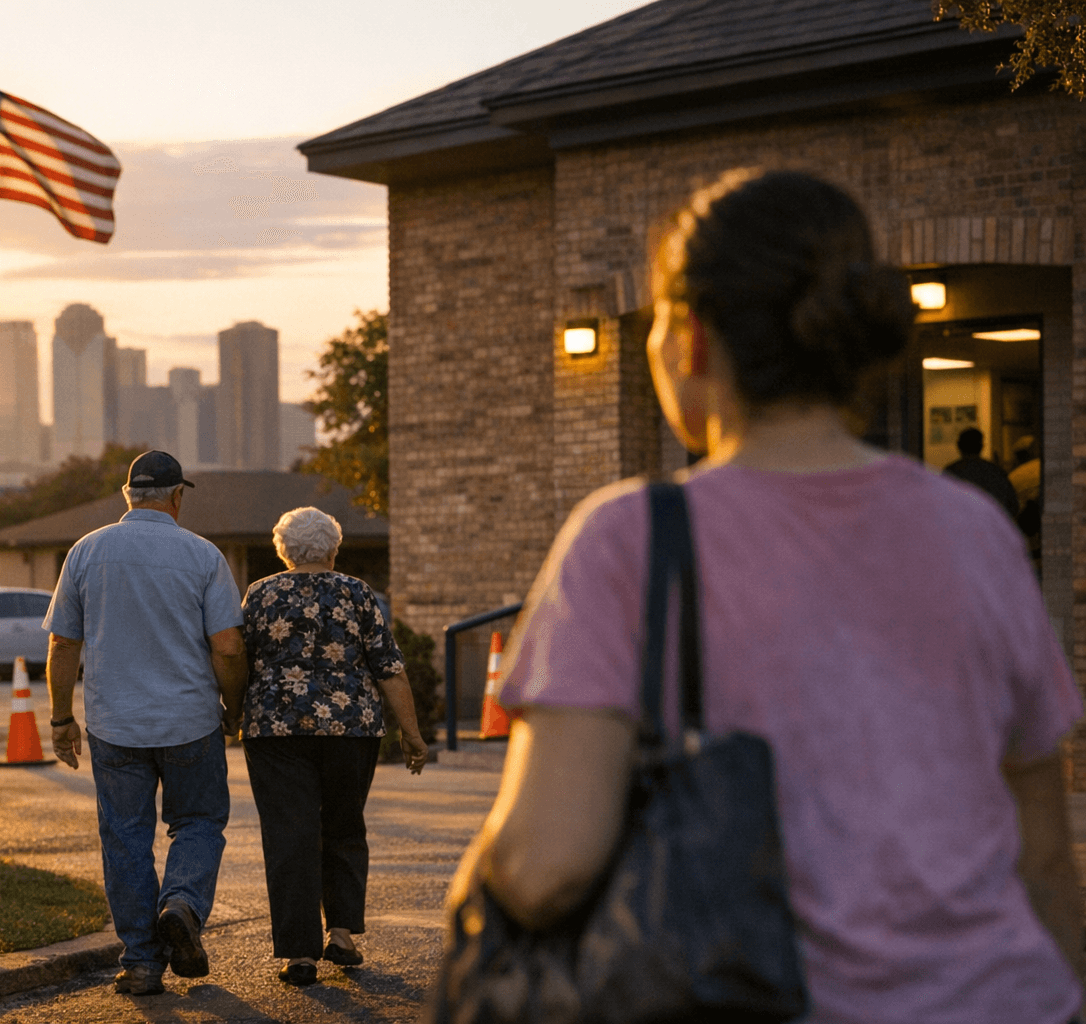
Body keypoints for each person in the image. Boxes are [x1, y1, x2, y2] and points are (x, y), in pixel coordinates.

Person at [448, 170, 1085, 1023]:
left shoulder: (633, 536)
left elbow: (545, 864)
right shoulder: (977, 531)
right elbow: (1044, 857)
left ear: (692, 338)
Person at [44, 449, 249, 997]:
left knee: (126, 839)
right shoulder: (203, 556)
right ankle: (181, 904)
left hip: (114, 726)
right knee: (200, 822)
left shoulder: (87, 551)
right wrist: (237, 707)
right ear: (178, 497)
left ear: (127, 495)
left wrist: (62, 718)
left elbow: (63, 642)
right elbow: (228, 647)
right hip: (191, 720)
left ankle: (140, 963)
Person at [239, 506, 429, 986]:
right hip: (350, 727)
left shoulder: (260, 595)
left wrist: (233, 709)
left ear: (284, 550)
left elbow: (234, 659)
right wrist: (411, 732)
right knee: (343, 826)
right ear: (333, 548)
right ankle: (341, 934)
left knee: (290, 836)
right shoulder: (357, 594)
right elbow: (388, 666)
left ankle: (299, 954)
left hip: (276, 731)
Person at [944, 426, 1019, 518]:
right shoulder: (996, 471)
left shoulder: (950, 473)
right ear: (981, 446)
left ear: (959, 445)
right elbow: (1012, 506)